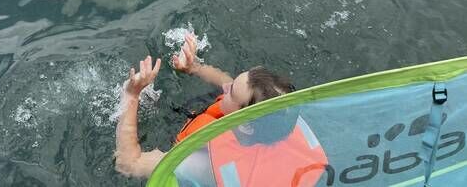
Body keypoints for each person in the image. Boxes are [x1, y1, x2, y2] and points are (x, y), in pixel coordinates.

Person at [114, 34, 327, 184]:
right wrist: (195, 68)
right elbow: (232, 85)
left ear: (246, 126)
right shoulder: (280, 116)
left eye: (231, 92)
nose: (225, 86)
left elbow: (128, 165)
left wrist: (132, 94)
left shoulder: (204, 163)